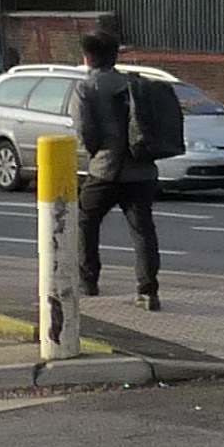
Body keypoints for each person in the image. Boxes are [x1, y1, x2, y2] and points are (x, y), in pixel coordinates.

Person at [74, 28, 161, 311]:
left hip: (106, 169)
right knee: (142, 230)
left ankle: (88, 281)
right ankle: (148, 291)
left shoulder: (86, 88)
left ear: (87, 58)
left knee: (86, 220)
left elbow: (85, 131)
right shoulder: (134, 83)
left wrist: (96, 153)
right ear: (115, 56)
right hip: (142, 170)